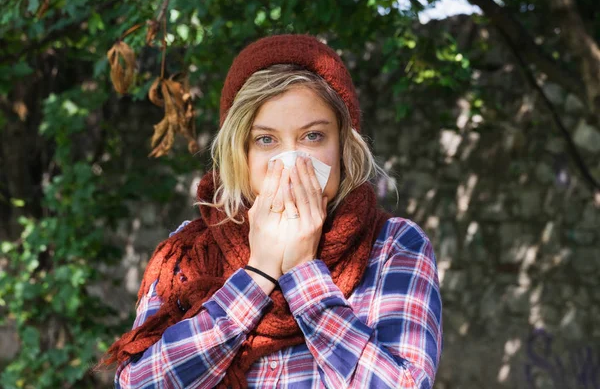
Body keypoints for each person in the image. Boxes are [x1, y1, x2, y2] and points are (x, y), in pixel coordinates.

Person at [102, 34, 442, 388]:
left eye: (313, 136)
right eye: (266, 140)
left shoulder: (393, 245)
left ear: (342, 144)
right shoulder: (189, 250)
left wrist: (303, 271)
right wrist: (258, 273)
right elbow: (138, 382)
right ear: (242, 153)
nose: (291, 161)